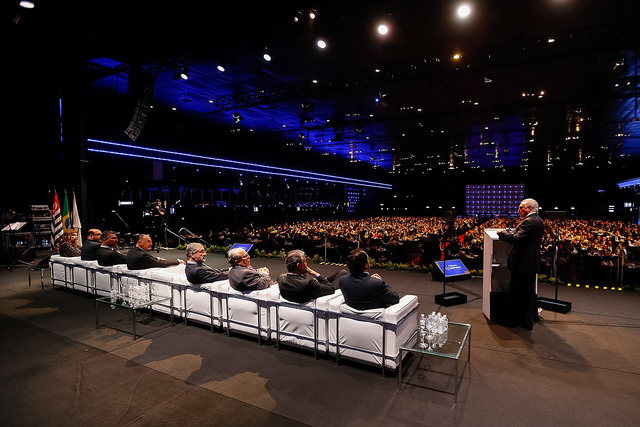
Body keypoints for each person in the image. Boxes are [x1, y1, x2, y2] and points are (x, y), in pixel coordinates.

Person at [498, 198, 545, 330]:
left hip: (522, 264)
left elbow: (517, 239)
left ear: (530, 208)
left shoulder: (529, 221)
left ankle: (511, 321)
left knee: (517, 293)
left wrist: (502, 234)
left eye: (521, 207)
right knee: (526, 294)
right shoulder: (538, 220)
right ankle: (526, 321)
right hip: (529, 264)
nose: (518, 210)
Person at [277, 249, 347, 303]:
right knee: (342, 274)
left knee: (342, 272)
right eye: (304, 261)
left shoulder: (281, 278)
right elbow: (331, 289)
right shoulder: (310, 284)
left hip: (310, 289)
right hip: (322, 292)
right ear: (299, 265)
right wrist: (316, 274)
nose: (306, 263)